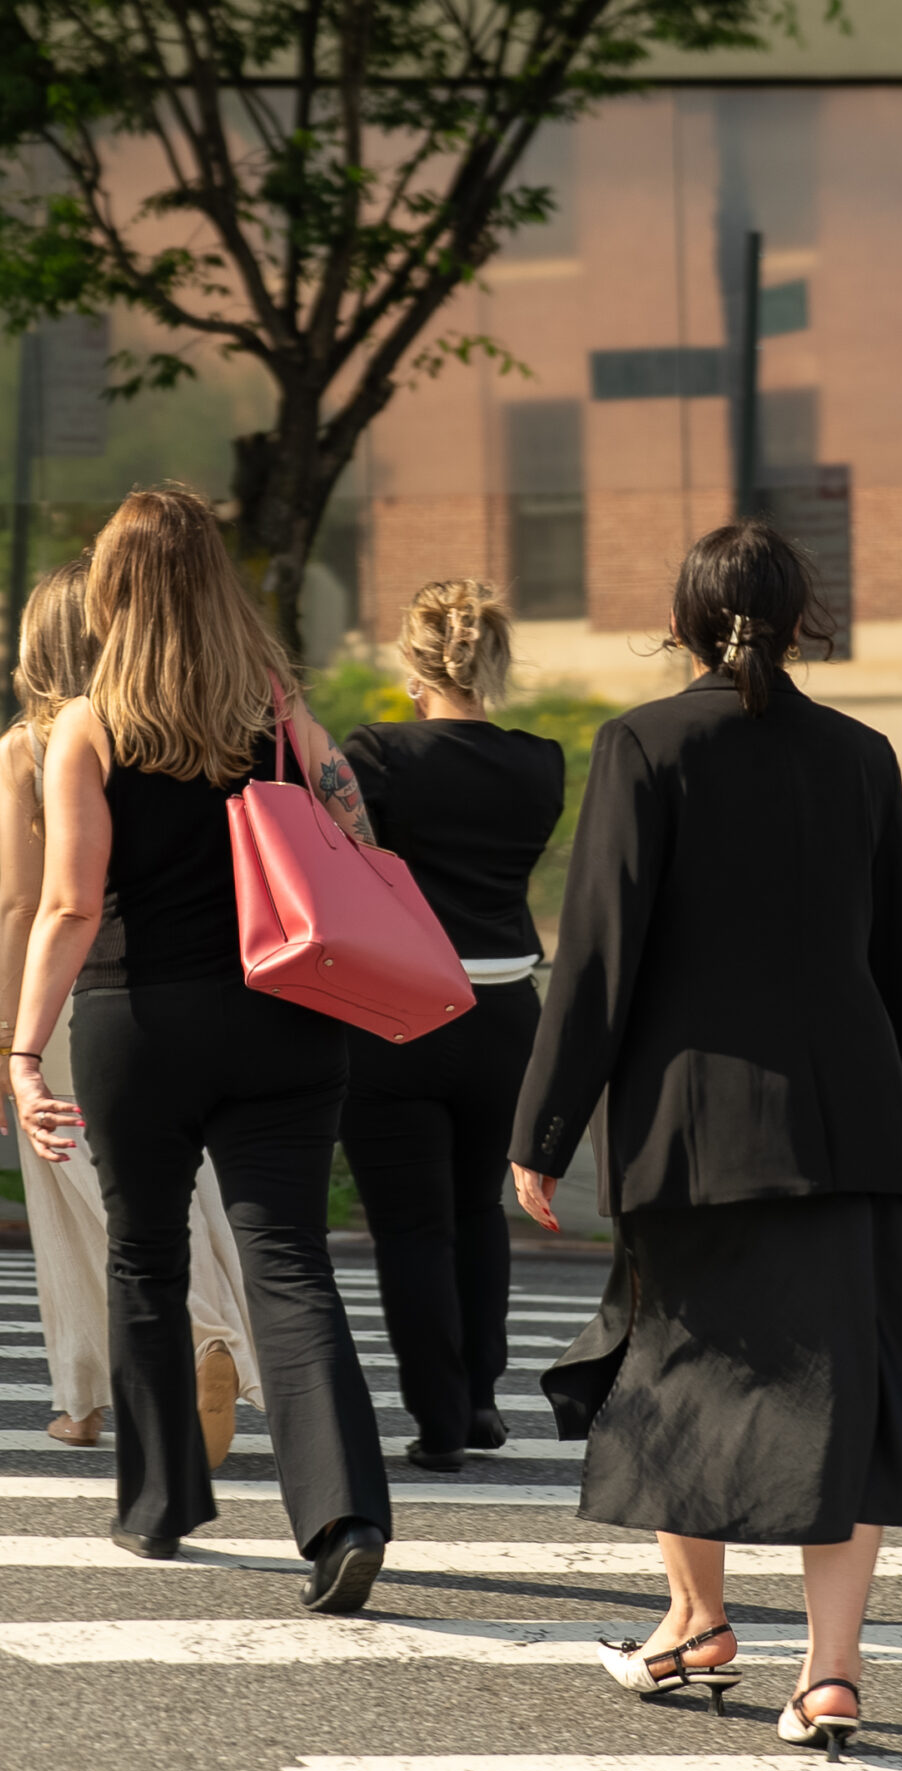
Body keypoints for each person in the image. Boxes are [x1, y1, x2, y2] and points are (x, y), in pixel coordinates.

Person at [510, 521, 902, 1758]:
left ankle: (696, 1620)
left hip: (689, 1134)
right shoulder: (864, 756)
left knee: (671, 1374)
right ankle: (831, 1676)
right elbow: (890, 966)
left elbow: (597, 960)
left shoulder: (642, 744)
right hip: (845, 1128)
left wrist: (542, 1127)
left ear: (681, 621)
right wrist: (865, 1103)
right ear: (801, 622)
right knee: (844, 1401)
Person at [7, 482, 393, 1614]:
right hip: (285, 1012)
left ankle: (160, 1502)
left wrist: (23, 1049)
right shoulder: (274, 709)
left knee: (145, 1256)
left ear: (114, 587)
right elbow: (355, 834)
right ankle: (342, 1515)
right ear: (217, 579)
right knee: (290, 1262)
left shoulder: (86, 725)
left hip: (143, 1023)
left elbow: (72, 906)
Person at [0, 556, 261, 1465]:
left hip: (63, 999)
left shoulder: (28, 748)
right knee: (185, 1186)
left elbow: (23, 903)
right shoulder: (149, 729)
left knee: (73, 1195)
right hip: (173, 991)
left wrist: (1, 1035)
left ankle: (116, 1382)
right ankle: (173, 1359)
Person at [339, 581, 563, 1472]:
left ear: (411, 664)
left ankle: (436, 1419)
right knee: (477, 1211)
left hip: (398, 1013)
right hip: (507, 1013)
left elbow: (341, 858)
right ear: (494, 662)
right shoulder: (540, 761)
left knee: (411, 1228)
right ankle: (476, 1400)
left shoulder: (376, 756)